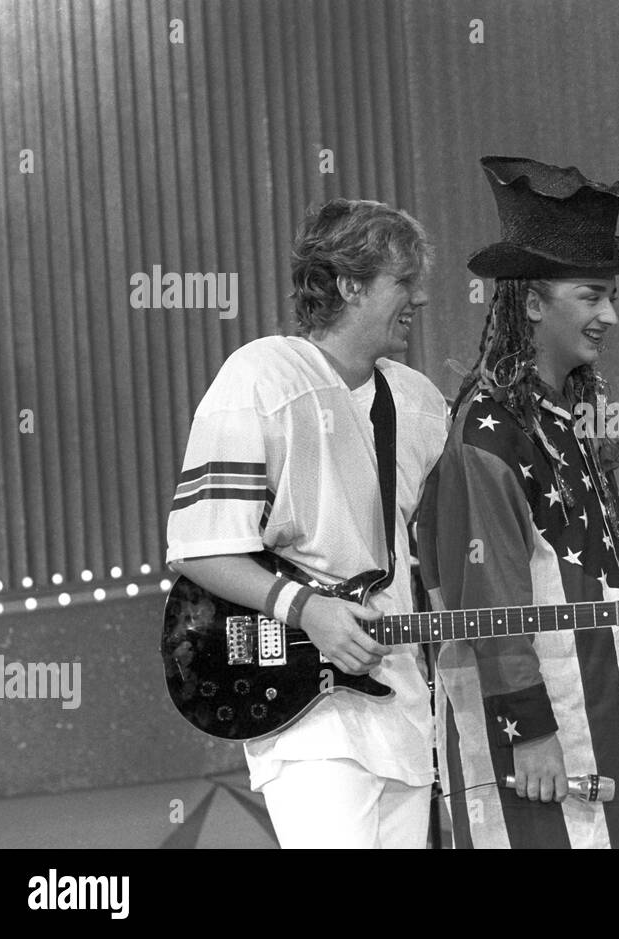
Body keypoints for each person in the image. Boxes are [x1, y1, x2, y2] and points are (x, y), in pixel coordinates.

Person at [417, 156, 619, 848]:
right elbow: (488, 592)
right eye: (591, 294)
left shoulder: (568, 410)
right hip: (554, 728)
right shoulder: (487, 430)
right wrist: (529, 728)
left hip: (614, 701)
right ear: (532, 302)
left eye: (612, 296)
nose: (609, 314)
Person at [166, 199, 449, 848]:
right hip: (309, 718)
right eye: (404, 282)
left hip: (402, 708)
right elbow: (198, 547)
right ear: (351, 284)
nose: (422, 299)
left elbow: (431, 552)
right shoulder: (261, 377)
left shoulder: (421, 404)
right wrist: (308, 611)